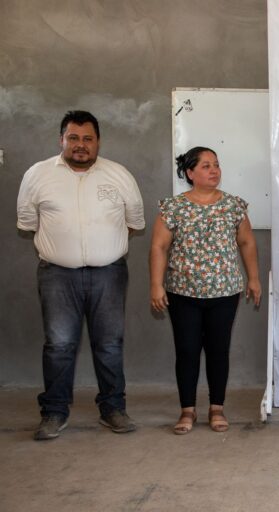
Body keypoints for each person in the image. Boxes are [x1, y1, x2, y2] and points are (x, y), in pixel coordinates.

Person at [17, 110, 145, 440]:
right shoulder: (37, 175)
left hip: (109, 275)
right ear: (61, 139)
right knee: (59, 345)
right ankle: (54, 413)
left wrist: (104, 249)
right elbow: (28, 224)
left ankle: (113, 409)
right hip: (57, 275)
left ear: (98, 141)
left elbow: (134, 223)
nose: (80, 145)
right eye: (73, 138)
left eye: (88, 138)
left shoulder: (119, 175)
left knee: (110, 345)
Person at [149, 147, 262, 435]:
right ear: (190, 173)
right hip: (182, 292)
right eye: (206, 166)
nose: (214, 170)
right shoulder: (173, 207)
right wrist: (156, 284)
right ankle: (187, 410)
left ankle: (216, 407)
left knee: (217, 350)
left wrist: (254, 279)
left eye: (216, 165)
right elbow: (159, 247)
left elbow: (247, 243)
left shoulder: (234, 206)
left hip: (225, 292)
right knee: (186, 350)